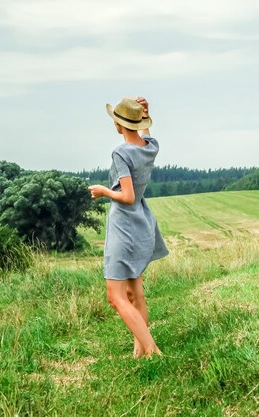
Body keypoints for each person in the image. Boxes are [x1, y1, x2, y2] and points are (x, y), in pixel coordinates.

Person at [88, 96, 169, 359]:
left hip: (124, 226)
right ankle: (139, 351)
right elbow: (145, 133)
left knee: (116, 297)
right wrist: (145, 111)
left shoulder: (121, 152)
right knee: (136, 294)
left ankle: (152, 350)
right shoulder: (149, 146)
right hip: (142, 223)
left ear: (119, 124)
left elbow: (128, 196)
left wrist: (104, 192)